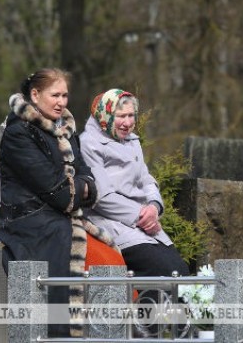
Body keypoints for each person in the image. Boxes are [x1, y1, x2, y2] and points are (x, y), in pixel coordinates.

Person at [0, 68, 117, 337]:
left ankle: (104, 333)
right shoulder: (19, 134)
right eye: (55, 95)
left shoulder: (66, 130)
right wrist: (80, 188)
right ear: (35, 95)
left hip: (62, 219)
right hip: (30, 223)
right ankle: (66, 333)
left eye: (65, 95)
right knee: (95, 262)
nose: (61, 102)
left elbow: (87, 176)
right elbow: (59, 193)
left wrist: (81, 187)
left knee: (112, 261)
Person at [80, 88, 189, 283]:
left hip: (145, 222)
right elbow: (101, 196)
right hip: (110, 222)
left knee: (179, 272)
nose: (128, 123)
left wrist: (154, 207)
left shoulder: (132, 142)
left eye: (131, 115)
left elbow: (146, 179)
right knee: (164, 272)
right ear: (105, 115)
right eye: (121, 116)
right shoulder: (89, 143)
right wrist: (140, 214)